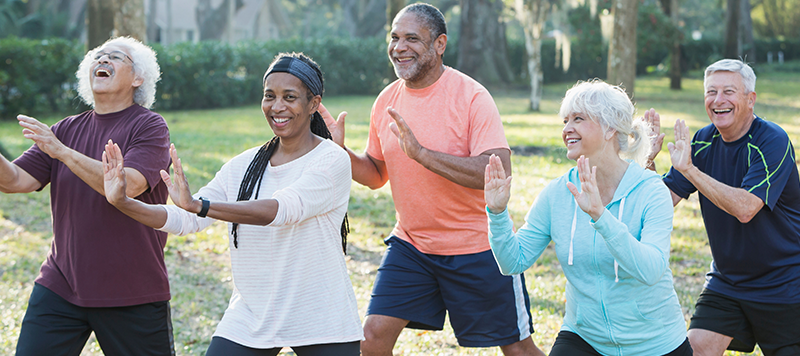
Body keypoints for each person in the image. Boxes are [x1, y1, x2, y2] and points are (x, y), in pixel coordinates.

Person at [101, 52, 363, 356]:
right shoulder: (244, 165)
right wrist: (122, 202)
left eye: (289, 97)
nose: (277, 107)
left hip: (318, 312)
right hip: (253, 312)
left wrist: (201, 206)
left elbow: (281, 210)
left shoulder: (331, 160)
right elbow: (187, 219)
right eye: (269, 96)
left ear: (313, 104)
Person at [324, 3, 544, 355]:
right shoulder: (387, 100)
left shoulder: (472, 96)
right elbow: (377, 173)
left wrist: (423, 155)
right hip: (413, 246)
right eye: (394, 38)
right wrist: (340, 154)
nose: (399, 47)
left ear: (439, 44)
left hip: (477, 248)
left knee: (517, 348)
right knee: (373, 337)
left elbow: (497, 173)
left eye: (412, 38)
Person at [484, 80, 692, 356]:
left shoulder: (651, 190)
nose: (566, 129)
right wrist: (497, 214)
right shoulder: (557, 193)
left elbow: (652, 270)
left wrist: (600, 217)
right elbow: (513, 262)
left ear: (610, 128)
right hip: (585, 338)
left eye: (578, 119)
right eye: (565, 120)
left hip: (654, 344)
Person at [0, 36, 175, 355]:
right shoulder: (65, 129)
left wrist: (63, 153)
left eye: (116, 57)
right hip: (61, 284)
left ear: (138, 78)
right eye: (98, 56)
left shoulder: (150, 127)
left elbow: (128, 186)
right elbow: (13, 180)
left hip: (131, 291)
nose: (103, 60)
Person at [654, 59, 800, 356]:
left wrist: (691, 171)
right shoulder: (703, 141)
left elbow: (746, 208)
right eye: (711, 92)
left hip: (784, 284)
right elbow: (659, 203)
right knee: (694, 351)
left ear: (750, 99)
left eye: (728, 91)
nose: (718, 100)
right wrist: (646, 158)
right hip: (727, 283)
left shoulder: (772, 140)